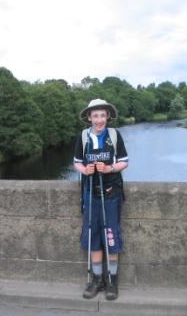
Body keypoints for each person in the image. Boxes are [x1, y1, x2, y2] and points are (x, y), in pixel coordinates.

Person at [73, 99, 129, 300]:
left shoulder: (114, 135)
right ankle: (97, 280)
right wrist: (85, 170)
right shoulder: (83, 137)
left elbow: (124, 162)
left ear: (107, 117)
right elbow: (77, 163)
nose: (99, 120)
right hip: (90, 193)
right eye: (95, 116)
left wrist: (109, 168)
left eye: (102, 115)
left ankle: (112, 280)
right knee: (93, 236)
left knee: (111, 235)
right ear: (89, 117)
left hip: (111, 192)